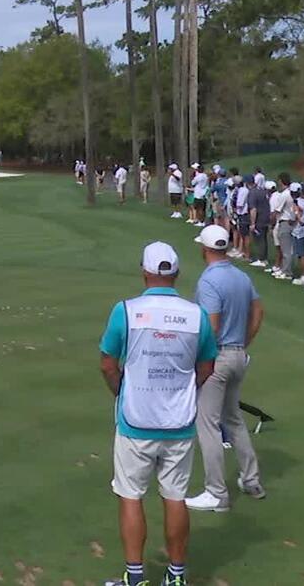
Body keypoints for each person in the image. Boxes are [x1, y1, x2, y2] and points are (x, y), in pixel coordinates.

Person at [100, 241, 216, 586]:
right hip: (178, 423)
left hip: (135, 421)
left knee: (131, 495)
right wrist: (184, 392)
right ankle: (176, 577)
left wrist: (121, 391)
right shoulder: (196, 315)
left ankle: (135, 578)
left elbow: (108, 364)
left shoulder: (126, 310)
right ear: (176, 274)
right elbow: (207, 366)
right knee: (175, 496)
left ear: (145, 272)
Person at [185, 226, 264, 514]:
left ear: (204, 249)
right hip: (238, 356)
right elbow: (259, 312)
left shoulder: (208, 281)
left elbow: (212, 326)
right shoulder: (240, 275)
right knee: (233, 419)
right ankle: (251, 480)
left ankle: (216, 493)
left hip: (217, 358)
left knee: (207, 424)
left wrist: (200, 363)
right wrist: (243, 343)